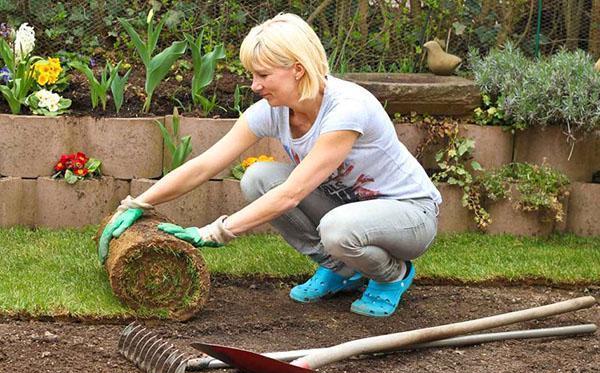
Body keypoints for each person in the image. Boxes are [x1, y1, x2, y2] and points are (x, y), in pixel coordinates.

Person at [98, 13, 441, 318]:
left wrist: (216, 230)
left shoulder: (347, 109)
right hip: (349, 207)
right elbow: (205, 164)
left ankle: (392, 275)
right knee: (258, 178)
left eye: (263, 74)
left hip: (409, 215)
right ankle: (339, 268)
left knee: (337, 229)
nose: (254, 85)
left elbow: (292, 194)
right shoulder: (272, 111)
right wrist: (140, 203)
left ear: (297, 69)